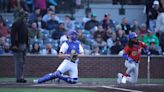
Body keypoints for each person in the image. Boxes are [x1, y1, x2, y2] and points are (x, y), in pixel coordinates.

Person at [11, 12, 29, 83]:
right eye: (25, 16)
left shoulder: (24, 24)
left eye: (26, 17)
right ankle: (19, 78)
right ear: (21, 16)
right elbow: (13, 35)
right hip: (18, 44)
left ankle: (21, 76)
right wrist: (14, 45)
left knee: (22, 62)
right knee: (19, 62)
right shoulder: (16, 23)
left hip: (24, 44)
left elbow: (26, 35)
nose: (26, 18)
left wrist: (27, 44)